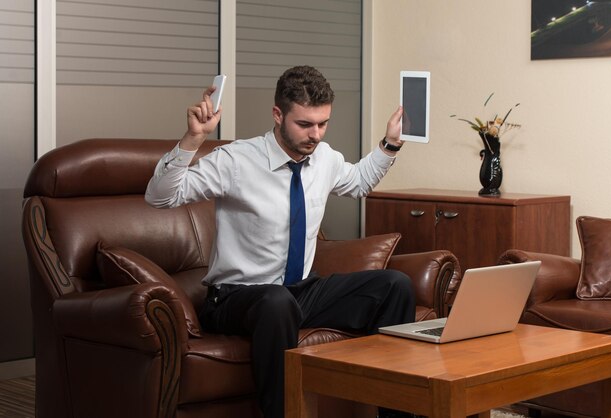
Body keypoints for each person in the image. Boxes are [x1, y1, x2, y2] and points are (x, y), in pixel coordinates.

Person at [145, 65, 416, 418]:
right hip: (235, 297)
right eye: (304, 124)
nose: (315, 135)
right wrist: (192, 139)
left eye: (323, 123)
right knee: (276, 302)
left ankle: (398, 413)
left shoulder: (324, 158)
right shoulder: (237, 160)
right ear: (277, 114)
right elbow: (161, 197)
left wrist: (390, 143)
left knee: (394, 285)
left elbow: (359, 182)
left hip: (299, 292)